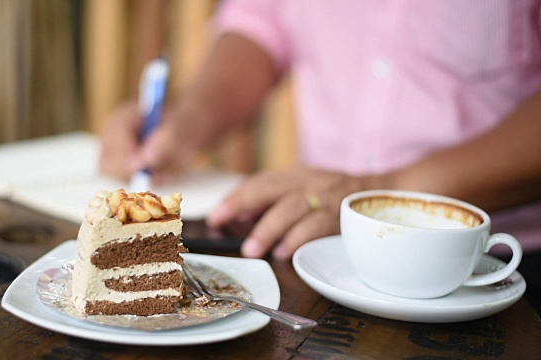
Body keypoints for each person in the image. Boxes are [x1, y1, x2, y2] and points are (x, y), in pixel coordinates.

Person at [100, 1, 541, 309]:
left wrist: (376, 193)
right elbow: (261, 21)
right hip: (320, 249)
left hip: (506, 264)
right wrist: (190, 117)